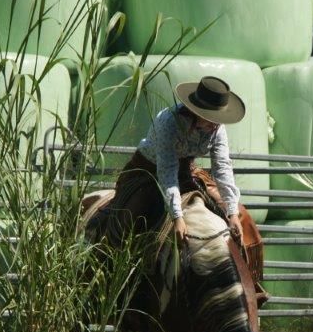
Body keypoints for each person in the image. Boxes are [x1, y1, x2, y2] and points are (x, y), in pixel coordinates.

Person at [96, 76, 264, 285]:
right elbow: (166, 171)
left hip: (187, 171)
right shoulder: (169, 122)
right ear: (196, 111)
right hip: (149, 170)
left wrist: (231, 212)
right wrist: (177, 216)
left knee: (242, 217)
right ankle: (109, 276)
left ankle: (249, 288)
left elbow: (222, 167)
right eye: (211, 118)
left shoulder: (217, 128)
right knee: (131, 216)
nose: (215, 124)